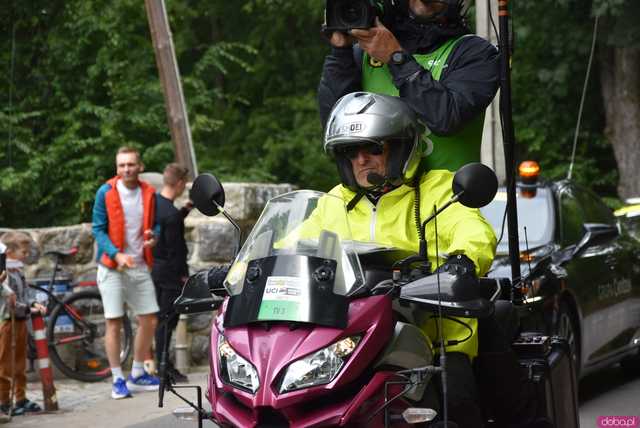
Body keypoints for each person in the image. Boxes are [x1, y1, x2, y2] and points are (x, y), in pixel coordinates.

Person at [318, 0, 499, 173]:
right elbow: (334, 128)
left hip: (449, 199)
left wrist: (396, 58)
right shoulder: (365, 52)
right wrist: (340, 51)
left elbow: (446, 118)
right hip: (380, 197)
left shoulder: (476, 54)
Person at [92, 146, 161, 399]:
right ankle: (117, 380)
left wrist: (155, 237)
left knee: (150, 319)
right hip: (112, 267)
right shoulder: (106, 192)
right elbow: (98, 229)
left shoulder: (149, 192)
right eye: (121, 165)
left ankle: (138, 373)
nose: (126, 169)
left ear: (139, 166)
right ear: (116, 167)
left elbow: (155, 225)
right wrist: (116, 253)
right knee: (113, 322)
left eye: (130, 164)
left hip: (139, 264)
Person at [152, 163, 192, 383]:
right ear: (178, 183)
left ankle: (161, 366)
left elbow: (167, 226)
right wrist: (184, 276)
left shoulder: (154, 204)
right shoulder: (172, 214)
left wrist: (185, 210)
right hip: (170, 274)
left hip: (154, 269)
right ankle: (164, 369)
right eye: (184, 184)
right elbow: (176, 249)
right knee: (167, 321)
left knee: (159, 319)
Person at [0, 232, 45, 417]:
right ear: (9, 252)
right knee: (5, 364)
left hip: (20, 322)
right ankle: (3, 401)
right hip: (7, 321)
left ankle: (20, 397)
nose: (26, 256)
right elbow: (9, 302)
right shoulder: (4, 275)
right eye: (23, 252)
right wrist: (28, 308)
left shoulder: (18, 271)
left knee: (20, 363)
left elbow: (25, 293)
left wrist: (33, 303)